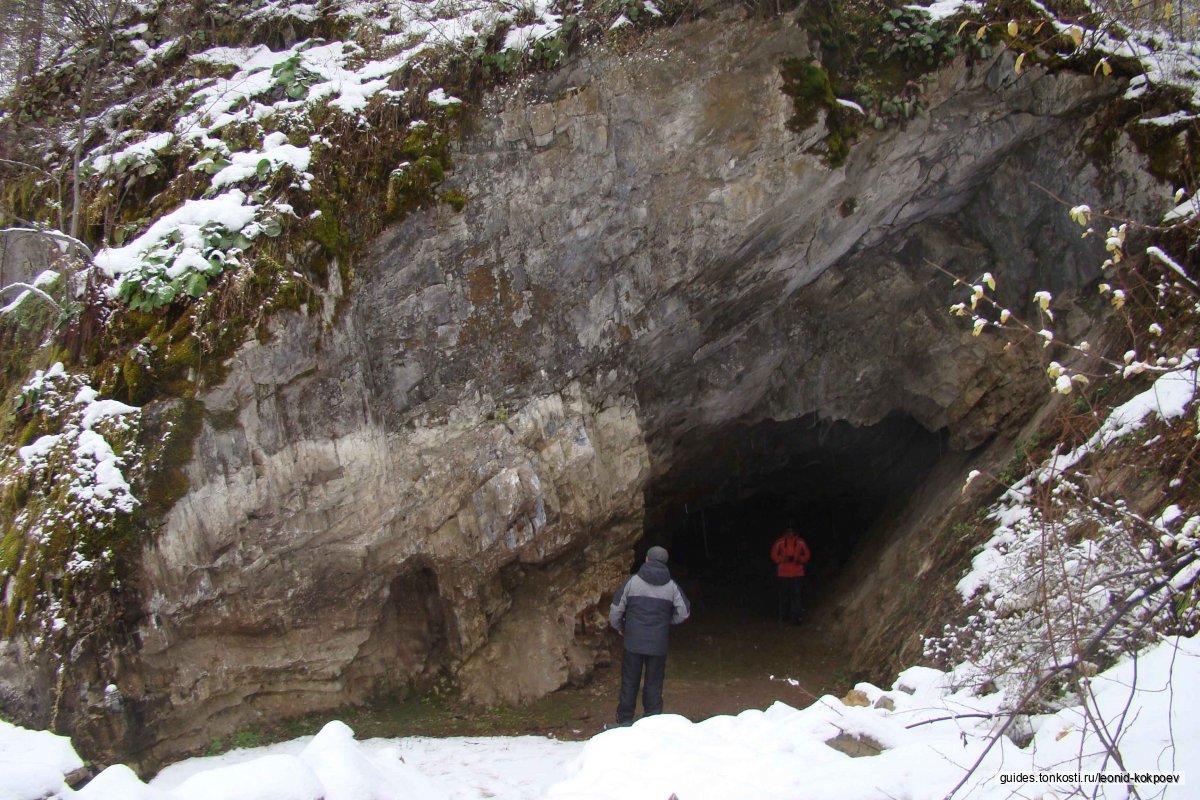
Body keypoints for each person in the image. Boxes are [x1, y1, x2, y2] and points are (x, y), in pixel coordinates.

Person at [608, 545, 690, 726]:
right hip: (658, 644)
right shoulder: (672, 587)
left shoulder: (632, 582)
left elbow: (615, 610)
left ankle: (624, 721)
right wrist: (668, 622)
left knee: (630, 681)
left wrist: (620, 626)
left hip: (633, 642)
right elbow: (683, 612)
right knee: (654, 682)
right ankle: (652, 722)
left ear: (646, 559)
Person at [770, 526, 810, 625]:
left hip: (797, 573)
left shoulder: (800, 542)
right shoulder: (780, 542)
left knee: (796, 595)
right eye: (788, 531)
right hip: (783, 573)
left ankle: (796, 618)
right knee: (783, 595)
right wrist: (783, 559)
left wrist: (799, 559)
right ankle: (783, 618)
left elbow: (807, 555)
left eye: (792, 531)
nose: (790, 533)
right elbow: (773, 555)